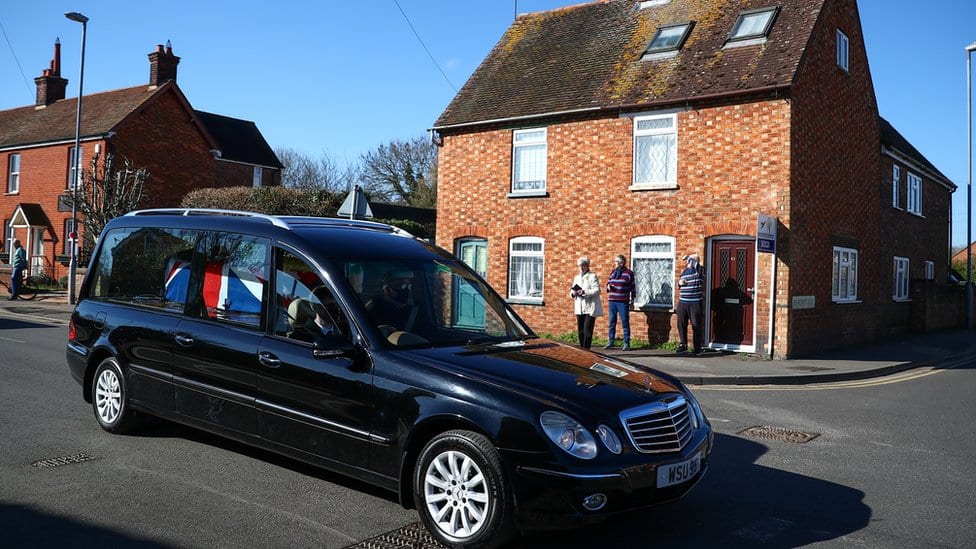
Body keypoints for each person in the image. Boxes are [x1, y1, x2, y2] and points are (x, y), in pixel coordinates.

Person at [570, 256, 602, 349]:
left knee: (587, 331)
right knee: (580, 330)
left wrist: (584, 292)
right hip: (579, 306)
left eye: (583, 266)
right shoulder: (576, 277)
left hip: (589, 307)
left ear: (587, 266)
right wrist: (573, 293)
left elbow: (597, 291)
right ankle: (581, 349)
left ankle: (587, 349)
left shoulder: (592, 276)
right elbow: (571, 291)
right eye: (579, 266)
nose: (580, 268)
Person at [605, 254, 635, 350]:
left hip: (623, 301)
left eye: (616, 261)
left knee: (625, 321)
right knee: (612, 321)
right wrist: (608, 287)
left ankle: (626, 343)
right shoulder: (613, 272)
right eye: (614, 261)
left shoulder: (628, 273)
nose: (615, 263)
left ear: (621, 263)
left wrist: (632, 301)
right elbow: (608, 283)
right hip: (612, 300)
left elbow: (633, 288)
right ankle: (611, 341)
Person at [676, 253, 705, 355]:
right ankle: (683, 345)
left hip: (695, 303)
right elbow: (678, 283)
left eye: (692, 260)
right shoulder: (684, 271)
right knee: (681, 324)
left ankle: (697, 348)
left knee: (696, 325)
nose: (689, 262)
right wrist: (679, 283)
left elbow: (695, 262)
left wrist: (688, 257)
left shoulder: (700, 270)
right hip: (683, 302)